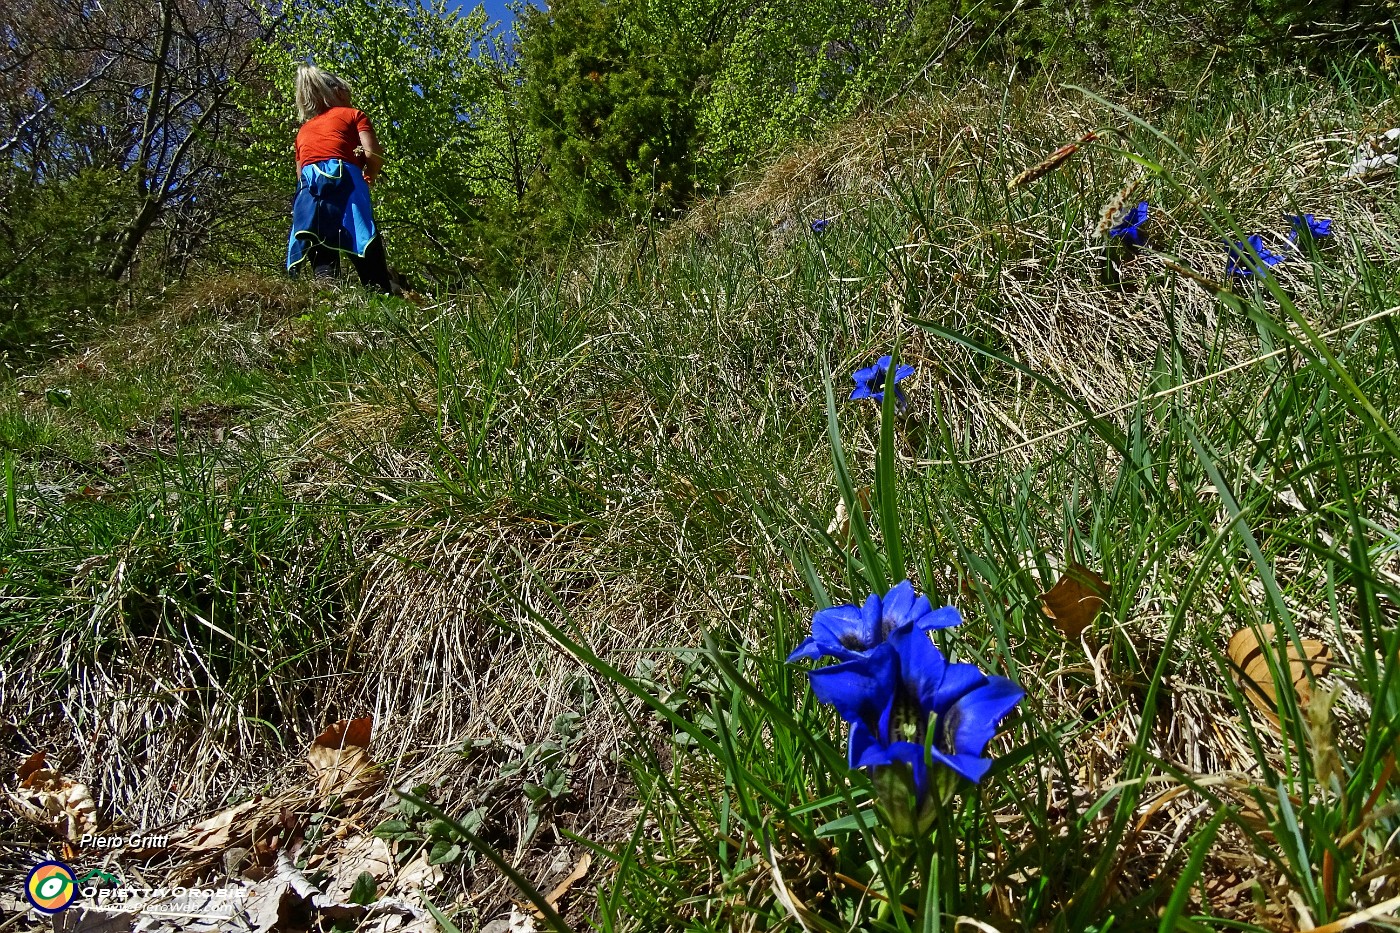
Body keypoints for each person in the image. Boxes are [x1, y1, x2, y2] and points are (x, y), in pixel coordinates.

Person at [286, 65, 392, 293]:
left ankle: (329, 306)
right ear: (337, 91)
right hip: (346, 184)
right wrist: (370, 174)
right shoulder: (353, 114)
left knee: (322, 250)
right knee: (363, 240)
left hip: (309, 195)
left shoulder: (303, 131)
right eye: (348, 90)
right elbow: (373, 154)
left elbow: (301, 173)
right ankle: (382, 299)